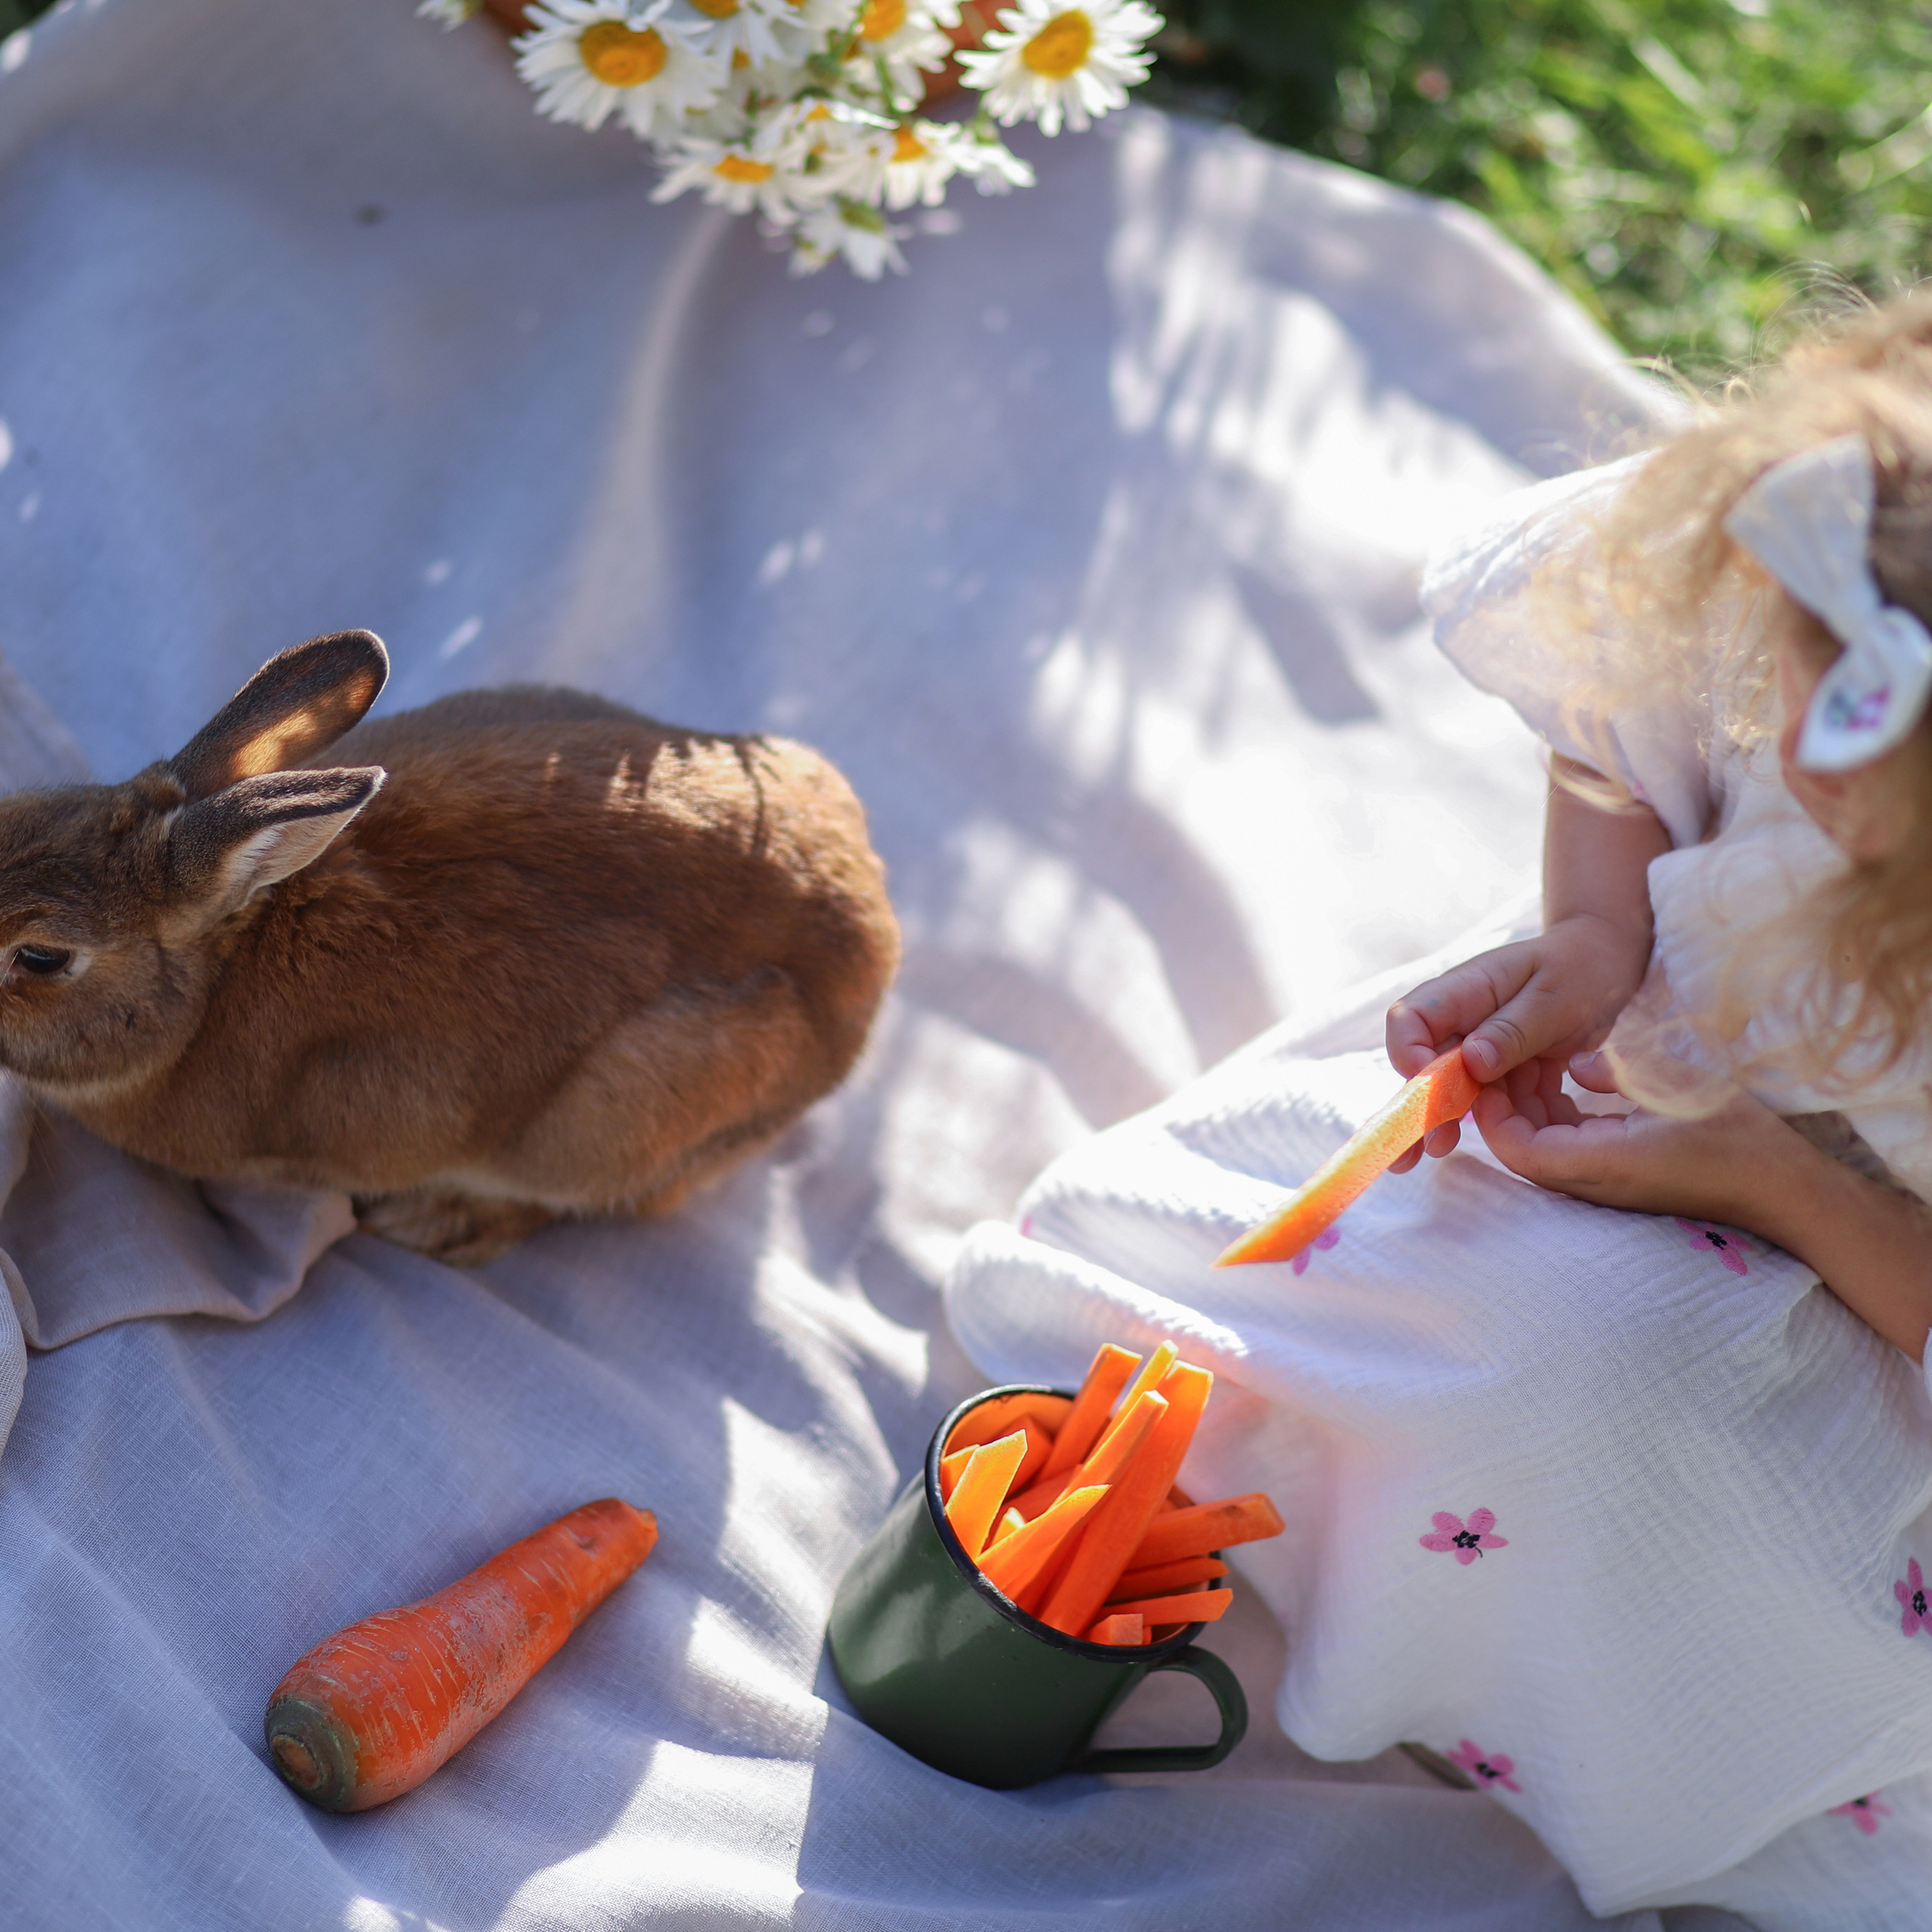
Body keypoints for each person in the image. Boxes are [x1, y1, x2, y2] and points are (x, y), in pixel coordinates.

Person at [944, 295, 1932, 1924]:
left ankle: (1555, 1690)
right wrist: (1595, 941)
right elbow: (1615, 736)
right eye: (1802, 689)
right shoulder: (1823, 541)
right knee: (1351, 1255)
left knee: (1594, 1385)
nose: (1804, 769)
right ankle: (1309, 1497)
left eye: (1872, 795)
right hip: (1656, 1072)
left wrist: (1774, 1183)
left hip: (1877, 1292)